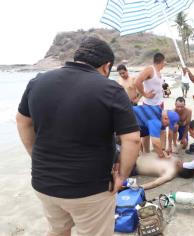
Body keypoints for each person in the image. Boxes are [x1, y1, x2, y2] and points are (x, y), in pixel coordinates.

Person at [16, 37, 141, 236]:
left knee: (58, 231)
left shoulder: (38, 81)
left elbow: (22, 121)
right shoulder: (110, 89)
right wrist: (122, 176)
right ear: (106, 66)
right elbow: (132, 139)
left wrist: (36, 156)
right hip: (90, 189)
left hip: (44, 183)